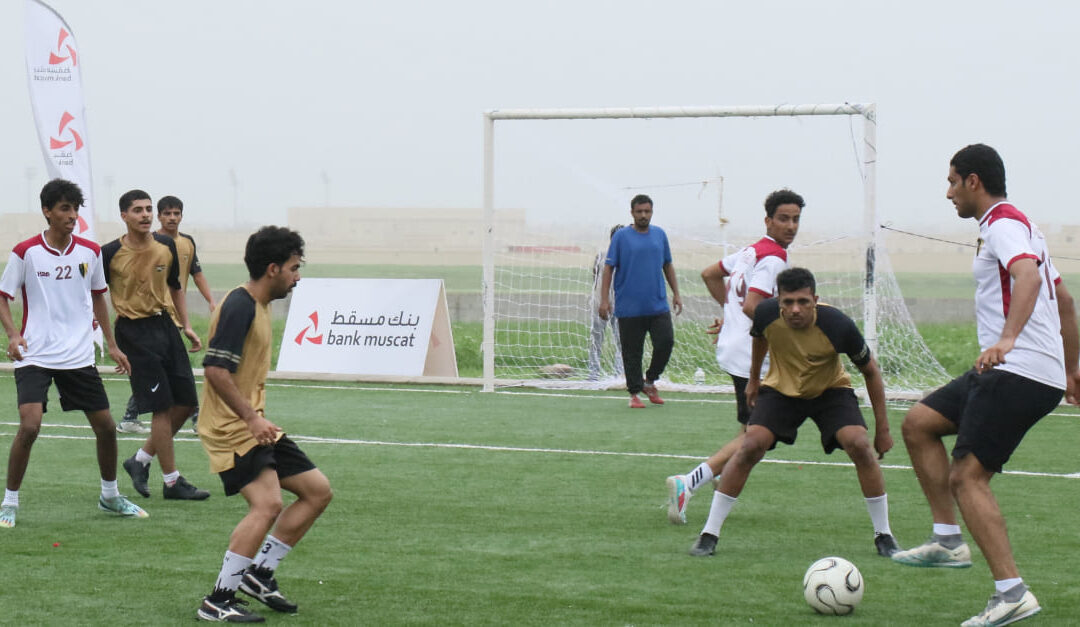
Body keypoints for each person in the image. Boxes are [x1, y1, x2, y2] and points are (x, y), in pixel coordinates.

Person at [890, 144, 1080, 627]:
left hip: (1016, 370)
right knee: (918, 424)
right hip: (1018, 370)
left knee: (967, 476)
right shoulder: (1022, 226)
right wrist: (1073, 370)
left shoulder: (1003, 224)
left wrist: (1009, 338)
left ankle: (1011, 592)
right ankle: (948, 541)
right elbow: (1066, 302)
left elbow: (1027, 277)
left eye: (953, 180)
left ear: (974, 181)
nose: (948, 191)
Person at [686, 267, 900, 559]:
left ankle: (884, 535)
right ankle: (709, 534)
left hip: (830, 391)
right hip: (781, 391)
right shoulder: (765, 313)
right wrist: (753, 381)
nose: (795, 309)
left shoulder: (838, 325)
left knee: (859, 444)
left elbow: (871, 372)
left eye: (803, 302)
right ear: (779, 301)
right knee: (750, 444)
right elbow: (760, 338)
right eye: (788, 302)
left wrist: (883, 430)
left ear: (815, 299)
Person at [196, 226, 332, 622]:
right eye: (293, 268)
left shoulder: (260, 303)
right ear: (273, 269)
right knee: (268, 503)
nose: (297, 277)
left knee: (317, 491)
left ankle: (260, 574)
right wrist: (251, 417)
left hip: (253, 424)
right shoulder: (239, 305)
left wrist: (256, 418)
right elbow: (215, 370)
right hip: (230, 429)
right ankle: (218, 599)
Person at [0, 179, 147, 528]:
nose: (72, 216)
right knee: (31, 425)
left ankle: (110, 496)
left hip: (79, 355)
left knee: (107, 427)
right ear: (47, 211)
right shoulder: (26, 252)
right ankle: (9, 502)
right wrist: (14, 334)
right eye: (64, 208)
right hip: (35, 354)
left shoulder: (89, 251)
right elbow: (3, 297)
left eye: (75, 209)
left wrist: (111, 345)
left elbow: (98, 296)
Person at [665, 189, 802, 525]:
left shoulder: (750, 252)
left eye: (796, 219)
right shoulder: (773, 260)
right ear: (768, 220)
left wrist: (732, 315)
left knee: (753, 429)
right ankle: (691, 481)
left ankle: (721, 481)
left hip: (735, 350)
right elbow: (754, 306)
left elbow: (710, 273)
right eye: (783, 219)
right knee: (759, 434)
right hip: (752, 357)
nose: (791, 226)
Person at [104, 189, 210, 501]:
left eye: (149, 209)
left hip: (165, 326)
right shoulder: (108, 252)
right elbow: (93, 294)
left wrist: (186, 325)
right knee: (161, 408)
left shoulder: (166, 246)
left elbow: (176, 287)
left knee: (187, 402)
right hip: (133, 332)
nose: (146, 215)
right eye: (137, 210)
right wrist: (110, 342)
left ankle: (139, 461)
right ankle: (172, 482)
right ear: (124, 216)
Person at [117, 195, 215, 434]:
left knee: (164, 369)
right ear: (159, 216)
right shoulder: (150, 243)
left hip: (174, 315)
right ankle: (195, 418)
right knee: (165, 369)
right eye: (167, 213)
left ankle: (132, 416)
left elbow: (195, 274)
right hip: (155, 315)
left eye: (177, 213)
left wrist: (211, 301)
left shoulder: (186, 243)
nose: (172, 218)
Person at [598, 194, 683, 408]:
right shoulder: (621, 237)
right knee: (632, 351)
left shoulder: (660, 235)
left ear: (652, 212)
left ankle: (650, 380)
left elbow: (668, 265)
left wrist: (677, 293)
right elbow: (609, 268)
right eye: (639, 212)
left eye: (647, 211)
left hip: (657, 304)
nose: (643, 215)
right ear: (632, 213)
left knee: (666, 342)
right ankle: (634, 393)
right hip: (629, 307)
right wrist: (604, 299)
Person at [588, 224, 624, 382]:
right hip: (600, 303)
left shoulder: (628, 257)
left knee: (621, 341)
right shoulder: (602, 256)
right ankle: (593, 374)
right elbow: (595, 276)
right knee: (597, 339)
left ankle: (619, 374)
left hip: (621, 305)